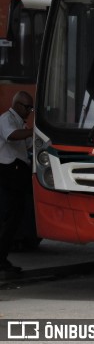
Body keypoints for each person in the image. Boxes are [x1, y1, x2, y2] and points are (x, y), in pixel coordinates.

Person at [0, 91, 34, 275]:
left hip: (18, 171)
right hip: (8, 172)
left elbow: (28, 144)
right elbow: (12, 136)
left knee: (16, 217)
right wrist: (34, 131)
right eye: (28, 107)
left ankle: (4, 257)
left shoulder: (22, 122)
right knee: (9, 217)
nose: (30, 111)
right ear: (18, 105)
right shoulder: (7, 119)